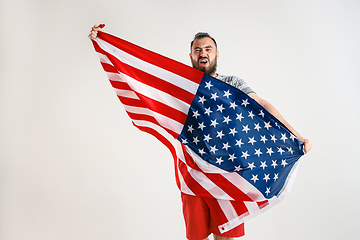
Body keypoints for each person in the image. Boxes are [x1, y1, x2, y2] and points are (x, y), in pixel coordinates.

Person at [89, 25, 312, 240]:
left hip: (227, 171)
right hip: (192, 172)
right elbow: (142, 76)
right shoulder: (182, 84)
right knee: (197, 236)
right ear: (191, 56)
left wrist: (296, 135)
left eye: (207, 49)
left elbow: (262, 105)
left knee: (226, 235)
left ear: (216, 54)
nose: (202, 53)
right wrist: (103, 41)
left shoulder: (231, 84)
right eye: (197, 50)